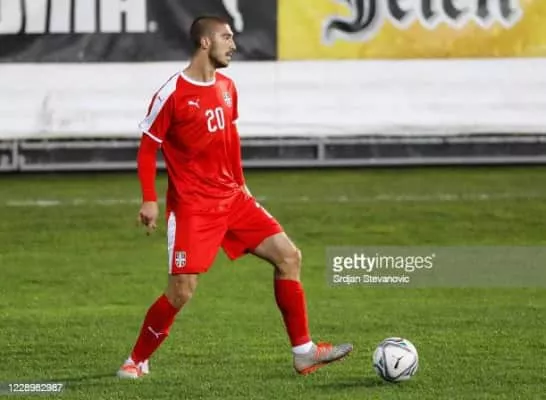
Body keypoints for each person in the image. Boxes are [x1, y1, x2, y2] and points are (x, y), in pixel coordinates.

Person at [117, 15, 352, 379]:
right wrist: (150, 199)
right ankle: (135, 360)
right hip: (194, 207)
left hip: (235, 199)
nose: (233, 45)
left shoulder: (228, 86)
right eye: (226, 37)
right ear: (205, 42)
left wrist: (242, 185)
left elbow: (230, 139)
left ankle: (304, 352)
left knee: (289, 257)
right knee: (181, 290)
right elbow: (148, 149)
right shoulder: (172, 93)